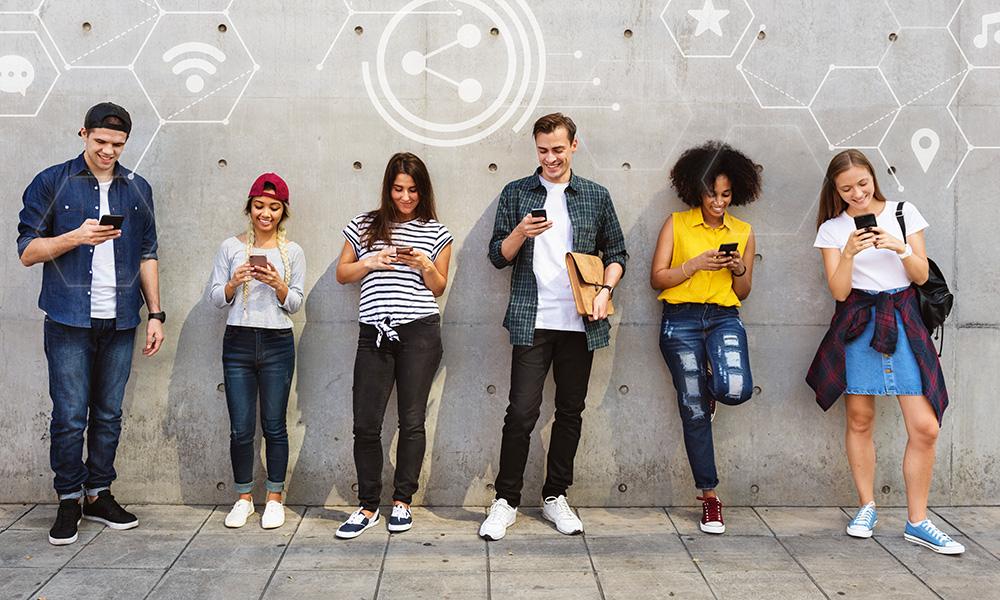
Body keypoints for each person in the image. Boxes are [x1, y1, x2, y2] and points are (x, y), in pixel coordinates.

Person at [16, 102, 164, 545]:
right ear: (83, 134)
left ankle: (98, 494)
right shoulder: (52, 181)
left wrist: (155, 313)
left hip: (120, 320)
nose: (108, 151)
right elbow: (27, 251)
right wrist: (76, 236)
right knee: (68, 416)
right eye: (100, 142)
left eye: (117, 145)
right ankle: (67, 499)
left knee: (108, 414)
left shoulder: (137, 189)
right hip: (67, 320)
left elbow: (147, 253)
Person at [479, 113, 627, 541]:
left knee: (569, 412)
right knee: (521, 413)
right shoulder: (517, 193)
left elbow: (617, 253)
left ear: (574, 146)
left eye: (558, 149)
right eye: (543, 150)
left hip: (581, 321)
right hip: (532, 318)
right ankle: (505, 501)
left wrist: (604, 291)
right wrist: (520, 233)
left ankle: (555, 496)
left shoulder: (595, 196)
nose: (550, 158)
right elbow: (496, 256)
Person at [807, 149, 963, 554]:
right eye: (846, 189)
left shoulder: (903, 212)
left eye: (862, 183)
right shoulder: (832, 228)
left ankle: (918, 521)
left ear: (873, 177)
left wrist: (899, 247)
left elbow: (922, 275)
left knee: (926, 427)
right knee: (860, 418)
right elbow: (839, 291)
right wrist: (848, 253)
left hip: (904, 317)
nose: (857, 194)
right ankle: (866, 506)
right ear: (835, 191)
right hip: (859, 320)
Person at [334, 153, 453, 538]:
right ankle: (368, 506)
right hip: (374, 333)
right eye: (399, 189)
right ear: (388, 188)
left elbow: (439, 287)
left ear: (423, 191)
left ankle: (402, 502)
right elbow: (342, 274)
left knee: (412, 421)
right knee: (365, 424)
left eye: (413, 190)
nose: (405, 197)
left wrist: (424, 265)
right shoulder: (364, 225)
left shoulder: (437, 232)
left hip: (419, 332)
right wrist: (371, 260)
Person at [649, 141, 760, 534]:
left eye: (726, 194)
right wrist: (694, 265)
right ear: (697, 190)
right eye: (712, 193)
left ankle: (713, 390)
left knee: (735, 388)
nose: (718, 201)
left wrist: (738, 267)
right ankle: (710, 498)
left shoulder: (743, 231)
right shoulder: (676, 224)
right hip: (680, 320)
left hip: (724, 317)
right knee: (693, 409)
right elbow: (657, 278)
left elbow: (743, 291)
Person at [208, 173, 305, 530]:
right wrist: (234, 282)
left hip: (278, 342)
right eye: (260, 206)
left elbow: (295, 303)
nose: (266, 214)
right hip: (238, 341)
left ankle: (275, 498)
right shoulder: (230, 247)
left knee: (275, 425)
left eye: (274, 208)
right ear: (249, 208)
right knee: (241, 428)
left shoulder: (292, 251)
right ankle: (244, 497)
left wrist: (279, 285)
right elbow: (216, 298)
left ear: (283, 212)